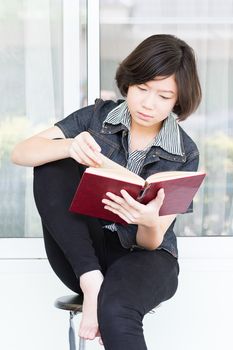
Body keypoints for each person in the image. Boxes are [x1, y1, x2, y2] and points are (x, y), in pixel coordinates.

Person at [11, 34, 202, 349]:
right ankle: (92, 282)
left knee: (117, 310)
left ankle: (101, 290)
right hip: (86, 254)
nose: (148, 103)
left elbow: (151, 241)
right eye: (142, 89)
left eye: (164, 96)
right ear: (128, 82)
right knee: (52, 159)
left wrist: (149, 220)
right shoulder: (96, 117)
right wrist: (72, 145)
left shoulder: (185, 152)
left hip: (147, 259)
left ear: (178, 100)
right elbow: (21, 153)